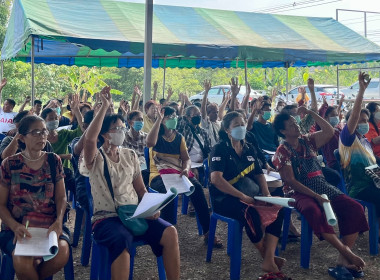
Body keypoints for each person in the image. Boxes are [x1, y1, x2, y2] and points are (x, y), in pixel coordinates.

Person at [79, 86, 180, 279]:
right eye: (116, 129)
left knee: (170, 232)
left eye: (122, 128)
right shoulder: (95, 158)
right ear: (104, 134)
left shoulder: (130, 155)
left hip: (134, 213)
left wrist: (151, 208)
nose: (121, 132)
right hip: (106, 218)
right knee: (122, 239)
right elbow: (89, 140)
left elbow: (141, 189)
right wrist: (105, 106)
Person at [273, 108, 369, 278]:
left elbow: (329, 131)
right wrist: (317, 197)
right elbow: (290, 181)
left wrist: (311, 112)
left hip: (321, 185)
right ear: (283, 131)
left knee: (354, 208)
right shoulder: (282, 151)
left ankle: (342, 261)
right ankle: (347, 253)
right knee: (313, 210)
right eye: (291, 125)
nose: (296, 125)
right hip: (297, 192)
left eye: (296, 122)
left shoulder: (307, 141)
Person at [209, 111, 286, 276]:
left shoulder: (248, 148)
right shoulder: (220, 149)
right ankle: (267, 257)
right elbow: (216, 179)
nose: (241, 128)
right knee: (248, 211)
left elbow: (259, 174)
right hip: (224, 199)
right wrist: (241, 196)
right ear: (227, 130)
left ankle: (269, 258)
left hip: (248, 193)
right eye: (236, 125)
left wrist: (267, 195)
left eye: (243, 124)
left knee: (278, 206)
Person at [0, 115, 70, 280]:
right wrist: (15, 226)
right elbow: (1, 204)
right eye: (36, 132)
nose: (42, 136)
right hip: (17, 229)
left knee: (62, 253)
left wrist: (59, 221)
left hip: (50, 226)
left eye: (44, 131)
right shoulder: (10, 164)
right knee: (22, 262)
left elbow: (61, 198)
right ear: (22, 138)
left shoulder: (54, 161)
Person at [146, 106, 222, 247]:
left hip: (177, 172)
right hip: (159, 175)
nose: (173, 119)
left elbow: (186, 159)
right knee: (169, 193)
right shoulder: (156, 136)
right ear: (162, 120)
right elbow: (149, 143)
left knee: (197, 189)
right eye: (169, 117)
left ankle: (208, 232)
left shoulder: (179, 137)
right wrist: (158, 121)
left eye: (175, 116)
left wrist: (186, 169)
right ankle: (167, 233)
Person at [339, 72, 380, 231]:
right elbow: (354, 116)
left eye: (366, 121)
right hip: (358, 187)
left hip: (373, 182)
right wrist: (362, 91)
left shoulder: (365, 141)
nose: (364, 123)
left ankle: (375, 229)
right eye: (360, 121)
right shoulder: (347, 138)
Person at [123, 110, 150, 185]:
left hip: (144, 169)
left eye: (142, 120)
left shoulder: (146, 137)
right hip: (130, 167)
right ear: (130, 122)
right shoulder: (124, 137)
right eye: (138, 120)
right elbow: (124, 157)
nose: (140, 122)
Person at [200, 80, 221, 146]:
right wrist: (206, 92)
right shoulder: (207, 123)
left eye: (217, 112)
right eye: (214, 112)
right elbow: (203, 109)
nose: (216, 114)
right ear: (208, 113)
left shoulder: (219, 123)